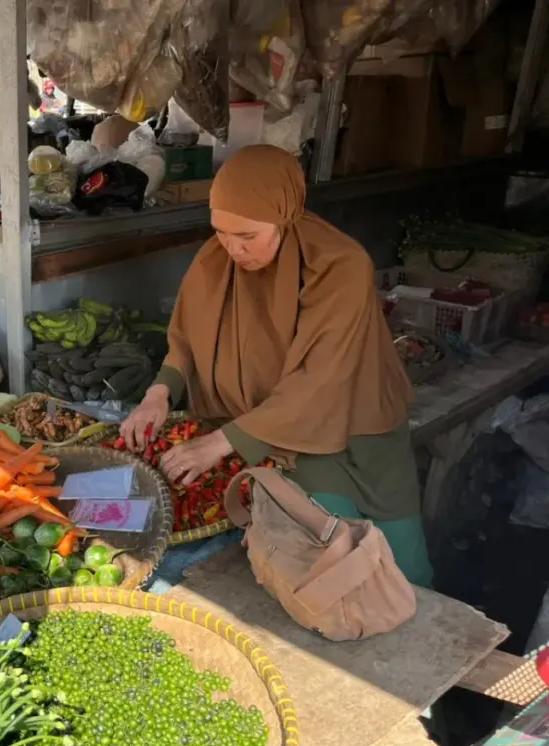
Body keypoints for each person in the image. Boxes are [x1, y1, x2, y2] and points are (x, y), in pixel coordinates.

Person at [121, 145, 433, 587]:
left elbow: (320, 382)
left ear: (284, 216)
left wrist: (219, 443)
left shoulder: (340, 267)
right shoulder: (215, 260)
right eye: (221, 231)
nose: (232, 248)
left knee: (405, 564)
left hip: (361, 433)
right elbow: (186, 339)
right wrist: (159, 392)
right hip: (285, 441)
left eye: (247, 236)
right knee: (337, 563)